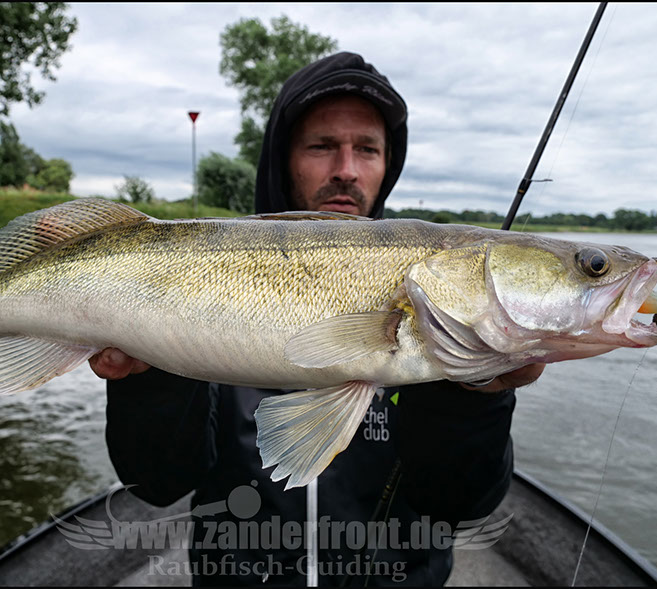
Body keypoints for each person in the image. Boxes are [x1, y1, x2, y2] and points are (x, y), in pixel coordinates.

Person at [90, 52, 544, 586]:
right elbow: (159, 484)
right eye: (322, 145)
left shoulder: (438, 300)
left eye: (367, 149)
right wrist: (148, 379)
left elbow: (460, 505)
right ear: (283, 159)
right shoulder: (203, 276)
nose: (346, 168)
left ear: (388, 166)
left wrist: (473, 397)